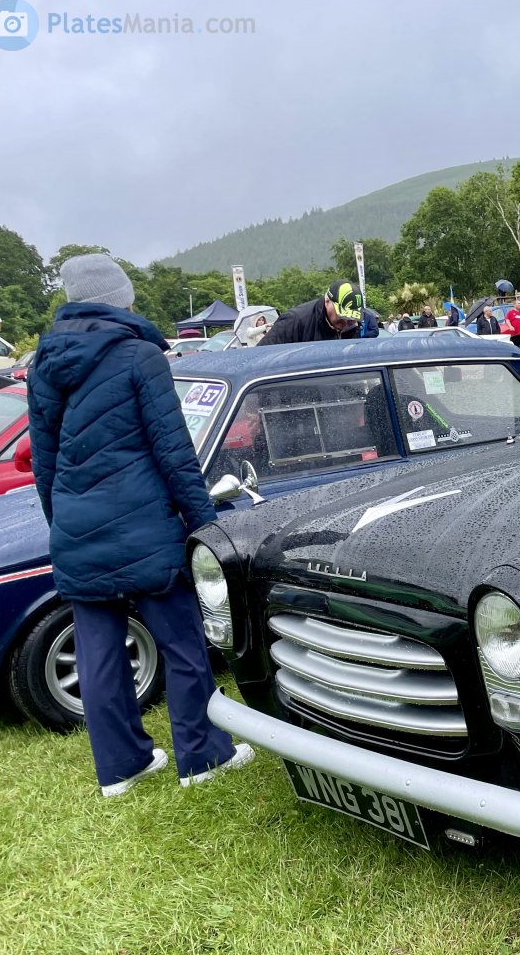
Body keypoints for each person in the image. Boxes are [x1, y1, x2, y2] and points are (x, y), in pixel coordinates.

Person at [25, 254, 254, 796]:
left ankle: (121, 768)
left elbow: (44, 461)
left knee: (98, 652)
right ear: (119, 298)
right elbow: (175, 454)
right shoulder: (139, 355)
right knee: (182, 643)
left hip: (77, 527)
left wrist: (63, 523)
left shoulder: (42, 362)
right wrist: (205, 528)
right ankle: (202, 756)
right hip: (147, 526)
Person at [259, 281, 364, 345]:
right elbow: (260, 356)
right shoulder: (295, 321)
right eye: (342, 316)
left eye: (350, 319)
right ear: (327, 301)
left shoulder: (351, 327)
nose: (345, 323)